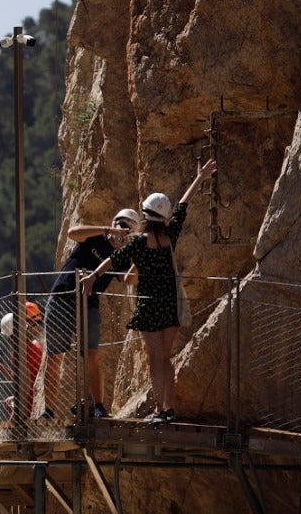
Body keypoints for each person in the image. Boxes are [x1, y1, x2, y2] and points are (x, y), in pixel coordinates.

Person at [83, 160, 216, 424]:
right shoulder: (171, 236)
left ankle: (160, 410)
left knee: (155, 358)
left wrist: (92, 276)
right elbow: (182, 207)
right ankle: (169, 408)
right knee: (166, 358)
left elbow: (113, 259)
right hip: (170, 303)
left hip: (149, 305)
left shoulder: (138, 242)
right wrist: (200, 177)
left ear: (144, 214)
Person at [43, 208, 140, 419]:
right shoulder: (94, 237)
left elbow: (127, 280)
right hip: (63, 297)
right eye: (121, 224)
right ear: (113, 223)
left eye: (127, 228)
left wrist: (139, 261)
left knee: (92, 355)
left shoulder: (121, 256)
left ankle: (98, 406)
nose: (122, 230)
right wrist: (106, 230)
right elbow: (73, 233)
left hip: (89, 303)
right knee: (54, 357)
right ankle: (48, 411)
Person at [0, 301, 44, 417]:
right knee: (9, 401)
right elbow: (25, 377)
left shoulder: (18, 354)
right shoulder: (36, 346)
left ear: (8, 337)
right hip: (39, 398)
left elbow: (23, 385)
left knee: (10, 404)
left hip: (30, 405)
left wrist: (15, 414)